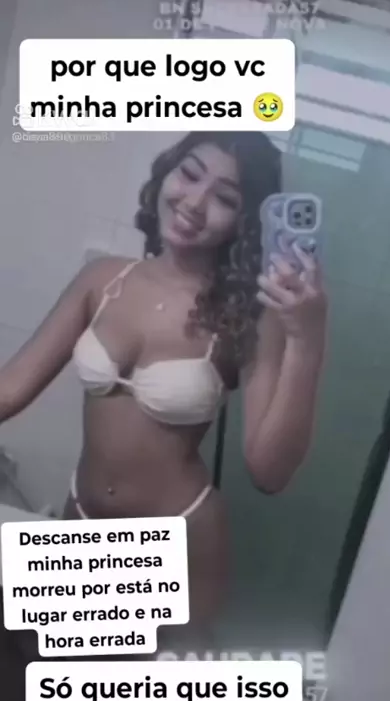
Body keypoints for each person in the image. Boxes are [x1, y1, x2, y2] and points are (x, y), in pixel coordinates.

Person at [0, 131, 327, 635]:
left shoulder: (246, 316)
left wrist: (306, 339)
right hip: (81, 517)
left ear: (244, 221)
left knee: (130, 687)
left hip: (178, 545)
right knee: (43, 672)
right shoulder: (103, 280)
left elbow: (269, 472)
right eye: (189, 174)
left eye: (225, 198)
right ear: (166, 172)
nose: (194, 202)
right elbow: (9, 390)